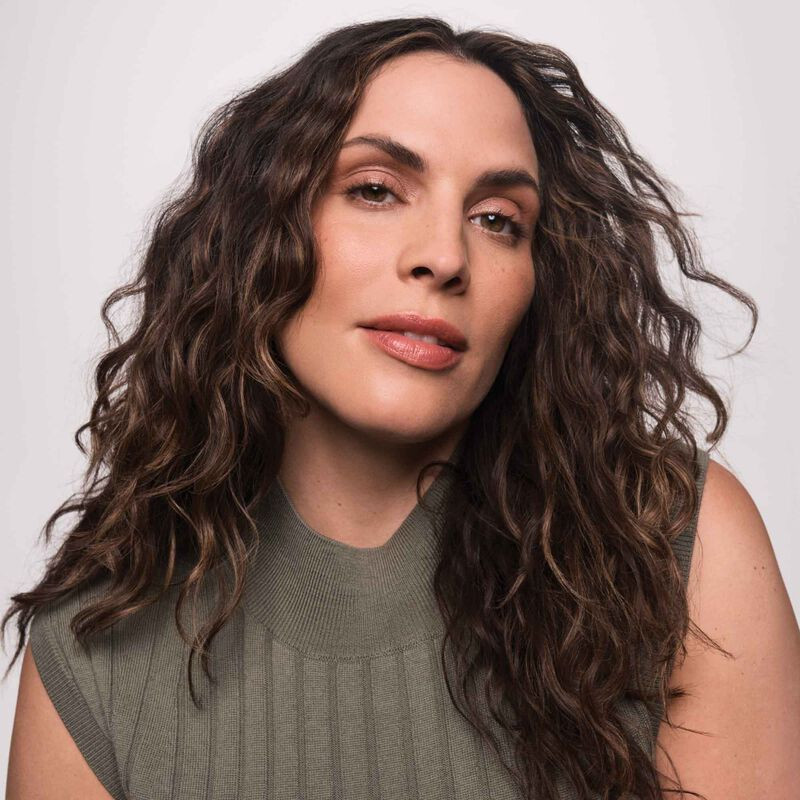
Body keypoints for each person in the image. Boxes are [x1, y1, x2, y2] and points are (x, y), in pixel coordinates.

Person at [4, 15, 799, 800]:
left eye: (498, 221)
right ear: (259, 234)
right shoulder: (94, 651)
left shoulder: (678, 548)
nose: (446, 257)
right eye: (376, 190)